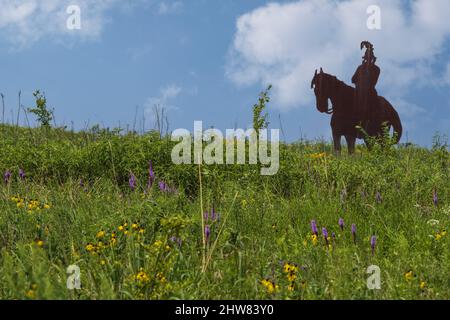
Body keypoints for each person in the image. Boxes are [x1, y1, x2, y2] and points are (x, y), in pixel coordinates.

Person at [352, 41, 380, 137]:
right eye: (366, 57)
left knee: (371, 105)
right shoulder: (360, 68)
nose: (368, 59)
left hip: (369, 92)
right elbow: (353, 79)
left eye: (370, 57)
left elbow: (373, 81)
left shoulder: (376, 69)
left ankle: (368, 124)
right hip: (358, 91)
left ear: (372, 58)